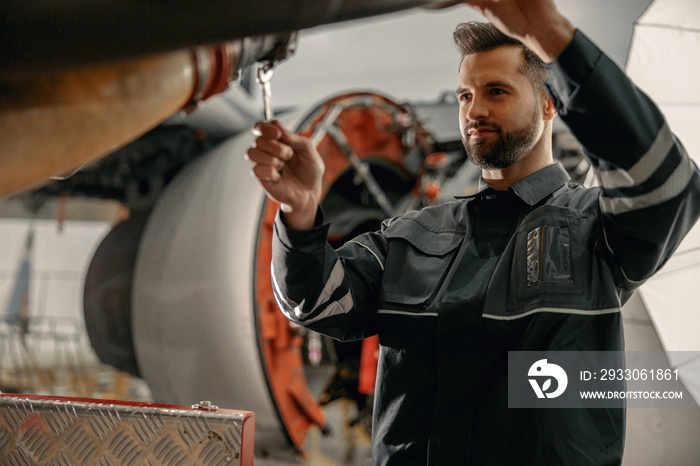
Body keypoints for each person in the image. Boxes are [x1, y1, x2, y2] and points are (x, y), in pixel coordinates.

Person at [246, 0, 700, 464]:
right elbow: (316, 302)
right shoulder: (410, 235)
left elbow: (665, 184)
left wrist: (552, 35)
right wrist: (299, 211)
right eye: (465, 95)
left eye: (496, 91)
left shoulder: (595, 229)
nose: (474, 110)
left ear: (549, 102)